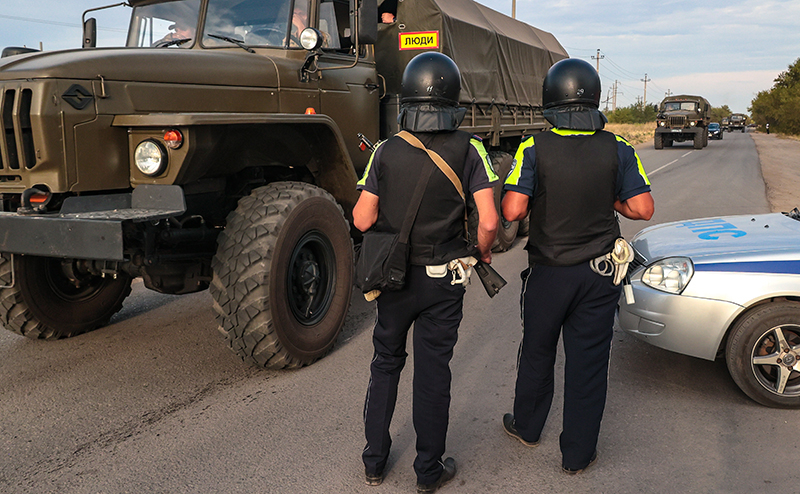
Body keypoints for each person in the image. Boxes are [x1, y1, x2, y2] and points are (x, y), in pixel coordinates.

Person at [500, 58, 654, 474]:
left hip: (549, 273)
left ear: (551, 98)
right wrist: (613, 200)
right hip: (599, 275)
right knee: (589, 363)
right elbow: (643, 208)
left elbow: (512, 210)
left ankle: (528, 427)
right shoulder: (618, 147)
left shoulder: (534, 147)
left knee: (536, 351)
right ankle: (577, 454)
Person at [353, 52, 499, 492]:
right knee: (434, 372)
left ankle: (374, 462)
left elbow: (361, 219)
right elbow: (490, 221)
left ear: (408, 98)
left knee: (385, 364)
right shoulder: (470, 148)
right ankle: (427, 472)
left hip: (394, 280)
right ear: (453, 99)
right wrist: (483, 252)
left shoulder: (385, 150)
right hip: (443, 278)